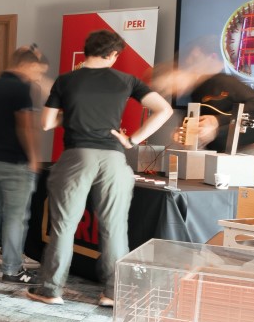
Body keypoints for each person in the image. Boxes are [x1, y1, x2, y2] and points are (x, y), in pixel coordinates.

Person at [27, 30, 174, 307]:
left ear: (87, 51)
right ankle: (113, 293)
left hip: (76, 157)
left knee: (64, 226)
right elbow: (163, 110)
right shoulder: (127, 80)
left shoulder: (67, 80)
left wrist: (71, 115)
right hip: (113, 159)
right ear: (113, 55)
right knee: (115, 227)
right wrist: (132, 140)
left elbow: (46, 123)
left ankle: (51, 289)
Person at [0, 46, 48, 282]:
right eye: (39, 72)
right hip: (15, 163)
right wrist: (34, 158)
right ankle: (13, 269)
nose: (39, 77)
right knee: (16, 216)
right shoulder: (20, 90)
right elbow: (25, 127)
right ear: (29, 65)